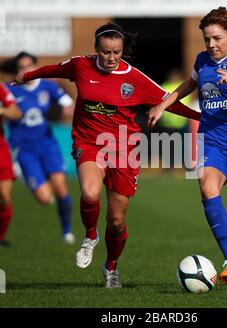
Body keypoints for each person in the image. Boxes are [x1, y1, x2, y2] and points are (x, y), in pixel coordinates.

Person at [12, 23, 200, 288]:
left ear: (122, 50)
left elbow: (171, 101)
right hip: (89, 142)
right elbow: (53, 69)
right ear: (95, 50)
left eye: (117, 52)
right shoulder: (80, 66)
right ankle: (90, 237)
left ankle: (111, 266)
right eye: (105, 52)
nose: (111, 58)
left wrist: (202, 117)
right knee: (89, 193)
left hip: (123, 149)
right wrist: (28, 76)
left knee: (116, 221)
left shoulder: (134, 78)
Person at [148, 7, 227, 284]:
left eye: (216, 38)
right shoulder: (202, 60)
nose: (211, 45)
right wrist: (162, 105)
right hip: (211, 140)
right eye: (207, 39)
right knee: (207, 186)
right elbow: (186, 86)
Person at [1, 52, 75, 244]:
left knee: (61, 187)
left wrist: (68, 107)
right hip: (24, 149)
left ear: (35, 67)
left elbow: (67, 102)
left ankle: (67, 231)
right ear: (17, 70)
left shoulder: (47, 86)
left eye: (29, 66)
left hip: (47, 144)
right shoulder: (10, 89)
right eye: (22, 67)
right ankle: (33, 178)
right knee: (44, 199)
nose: (26, 70)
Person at [0, 83, 22, 247]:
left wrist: (1, 111)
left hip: (1, 152)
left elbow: (16, 112)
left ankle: (0, 237)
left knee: (5, 198)